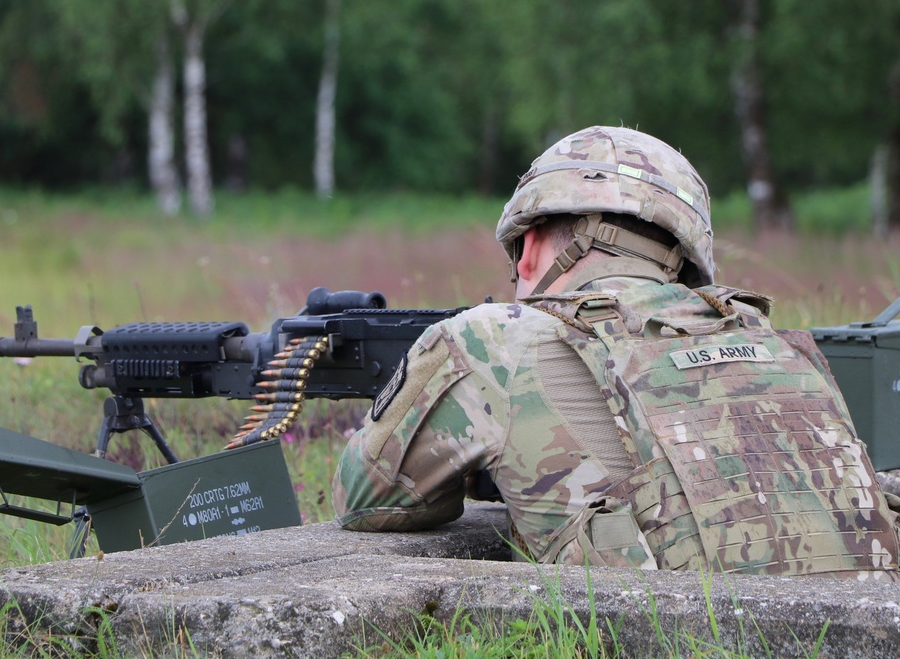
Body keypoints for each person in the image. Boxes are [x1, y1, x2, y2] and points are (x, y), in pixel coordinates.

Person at [332, 125, 900, 579]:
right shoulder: (767, 338)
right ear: (682, 260)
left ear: (528, 249)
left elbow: (366, 500)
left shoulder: (494, 337)